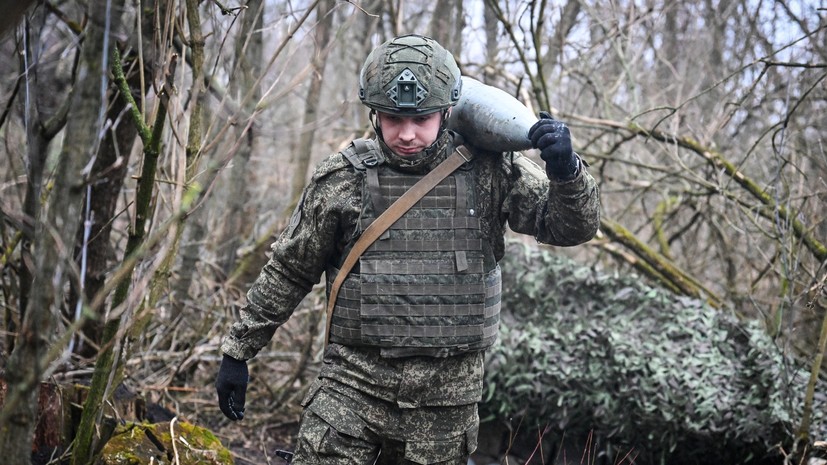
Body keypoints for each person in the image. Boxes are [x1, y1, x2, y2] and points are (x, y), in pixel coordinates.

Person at [215, 34, 600, 465]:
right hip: (352, 388)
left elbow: (569, 228)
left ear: (448, 111)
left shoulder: (492, 171)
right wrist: (238, 351)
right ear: (374, 113)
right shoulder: (343, 179)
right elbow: (290, 270)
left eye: (422, 119)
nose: (407, 134)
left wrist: (568, 172)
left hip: (445, 405)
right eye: (394, 119)